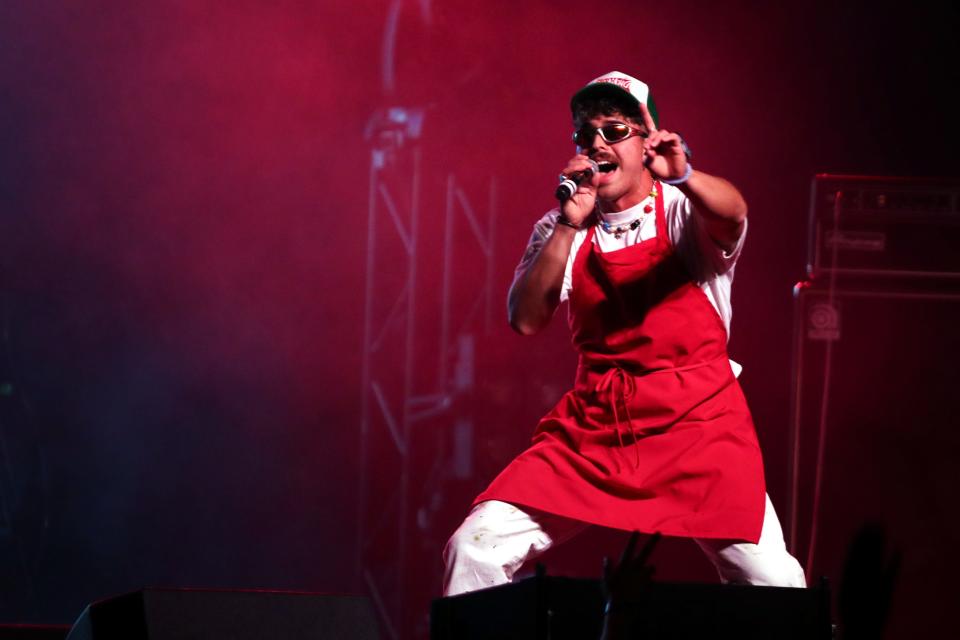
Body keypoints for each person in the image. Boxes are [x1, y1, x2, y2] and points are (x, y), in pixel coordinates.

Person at [442, 71, 805, 596]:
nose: (596, 143)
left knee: (776, 585)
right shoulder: (561, 225)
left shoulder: (684, 209)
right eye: (584, 134)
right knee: (471, 549)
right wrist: (568, 224)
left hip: (698, 425)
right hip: (599, 426)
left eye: (614, 130)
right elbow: (524, 319)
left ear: (646, 141)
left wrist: (685, 176)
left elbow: (734, 214)